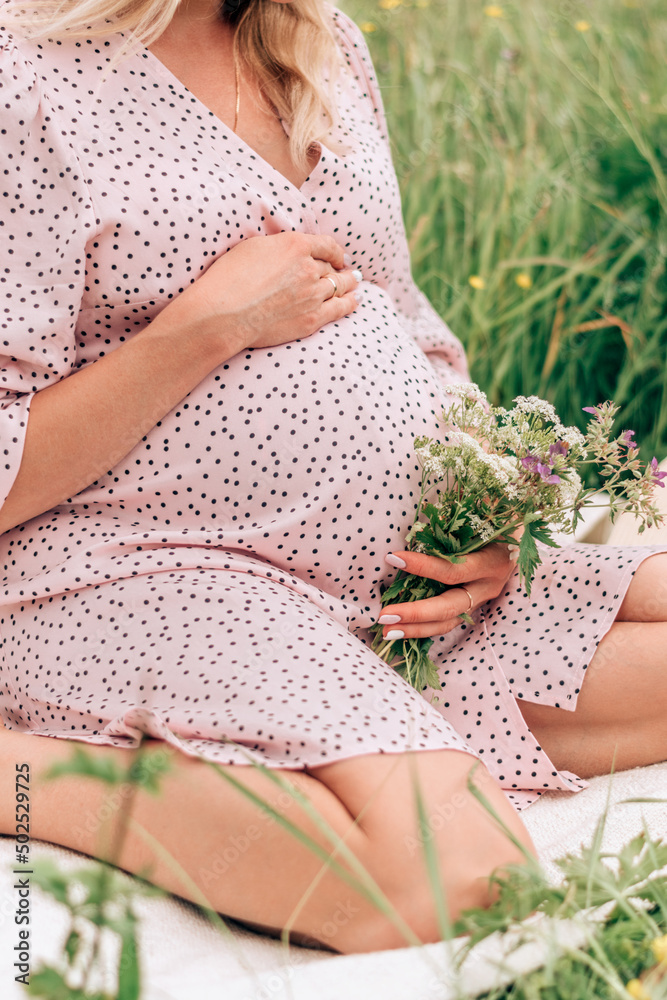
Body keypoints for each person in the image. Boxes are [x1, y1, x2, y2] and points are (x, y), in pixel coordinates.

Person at [0, 0, 666, 955]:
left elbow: (407, 320)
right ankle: (20, 770)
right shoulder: (26, 71)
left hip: (401, 590)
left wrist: (491, 513)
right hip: (155, 568)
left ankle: (362, 729)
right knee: (453, 880)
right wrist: (202, 330)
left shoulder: (316, 36)